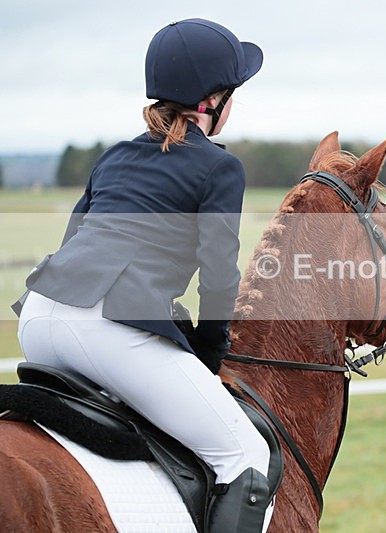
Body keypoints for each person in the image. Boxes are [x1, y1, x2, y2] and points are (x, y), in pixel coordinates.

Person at [12, 18, 273, 532]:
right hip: (104, 328)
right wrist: (209, 357)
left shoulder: (114, 156)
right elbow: (219, 279)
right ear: (213, 101)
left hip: (40, 319)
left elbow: (75, 243)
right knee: (245, 455)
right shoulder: (221, 169)